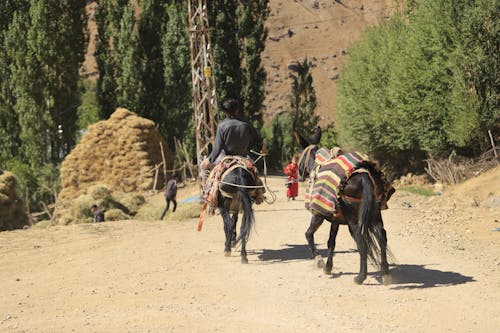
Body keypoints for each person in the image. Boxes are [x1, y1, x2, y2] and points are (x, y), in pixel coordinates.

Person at [200, 98, 266, 203]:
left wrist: (209, 159)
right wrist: (262, 149)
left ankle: (206, 194)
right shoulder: (246, 124)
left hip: (226, 157)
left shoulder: (222, 126)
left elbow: (217, 149)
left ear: (225, 112)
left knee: (204, 168)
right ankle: (259, 193)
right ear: (237, 110)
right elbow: (258, 140)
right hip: (244, 157)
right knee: (254, 171)